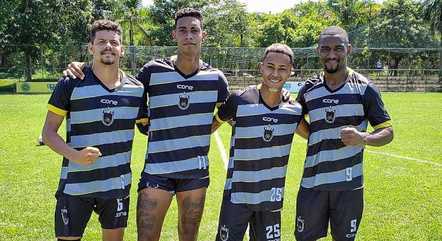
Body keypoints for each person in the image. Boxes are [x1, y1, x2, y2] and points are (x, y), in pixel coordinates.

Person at [63, 8, 229, 241]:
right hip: (157, 170)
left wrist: (211, 125)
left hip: (195, 172)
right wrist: (84, 66)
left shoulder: (216, 78)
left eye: (194, 30)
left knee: (189, 234)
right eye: (183, 30)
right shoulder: (153, 71)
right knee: (147, 236)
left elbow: (231, 111)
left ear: (204, 35)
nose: (188, 35)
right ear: (174, 35)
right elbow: (119, 85)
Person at [42, 20, 147, 241]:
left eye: (114, 42)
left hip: (117, 185)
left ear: (122, 49)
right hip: (76, 185)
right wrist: (75, 155)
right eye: (101, 42)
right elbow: (48, 133)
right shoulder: (71, 83)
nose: (108, 46)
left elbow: (147, 126)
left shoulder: (137, 89)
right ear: (91, 47)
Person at [294, 26, 394, 241]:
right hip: (313, 183)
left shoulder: (365, 88)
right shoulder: (308, 89)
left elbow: (387, 131)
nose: (331, 55)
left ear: (348, 49)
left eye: (338, 48)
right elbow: (294, 118)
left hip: (349, 187)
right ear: (317, 50)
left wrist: (363, 138)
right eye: (325, 49)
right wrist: (313, 134)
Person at [212, 43, 308, 241]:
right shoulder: (239, 100)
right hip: (237, 196)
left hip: (271, 198)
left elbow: (313, 136)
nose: (275, 73)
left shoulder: (294, 110)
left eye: (282, 69)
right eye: (270, 66)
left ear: (291, 72)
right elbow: (211, 126)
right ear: (260, 67)